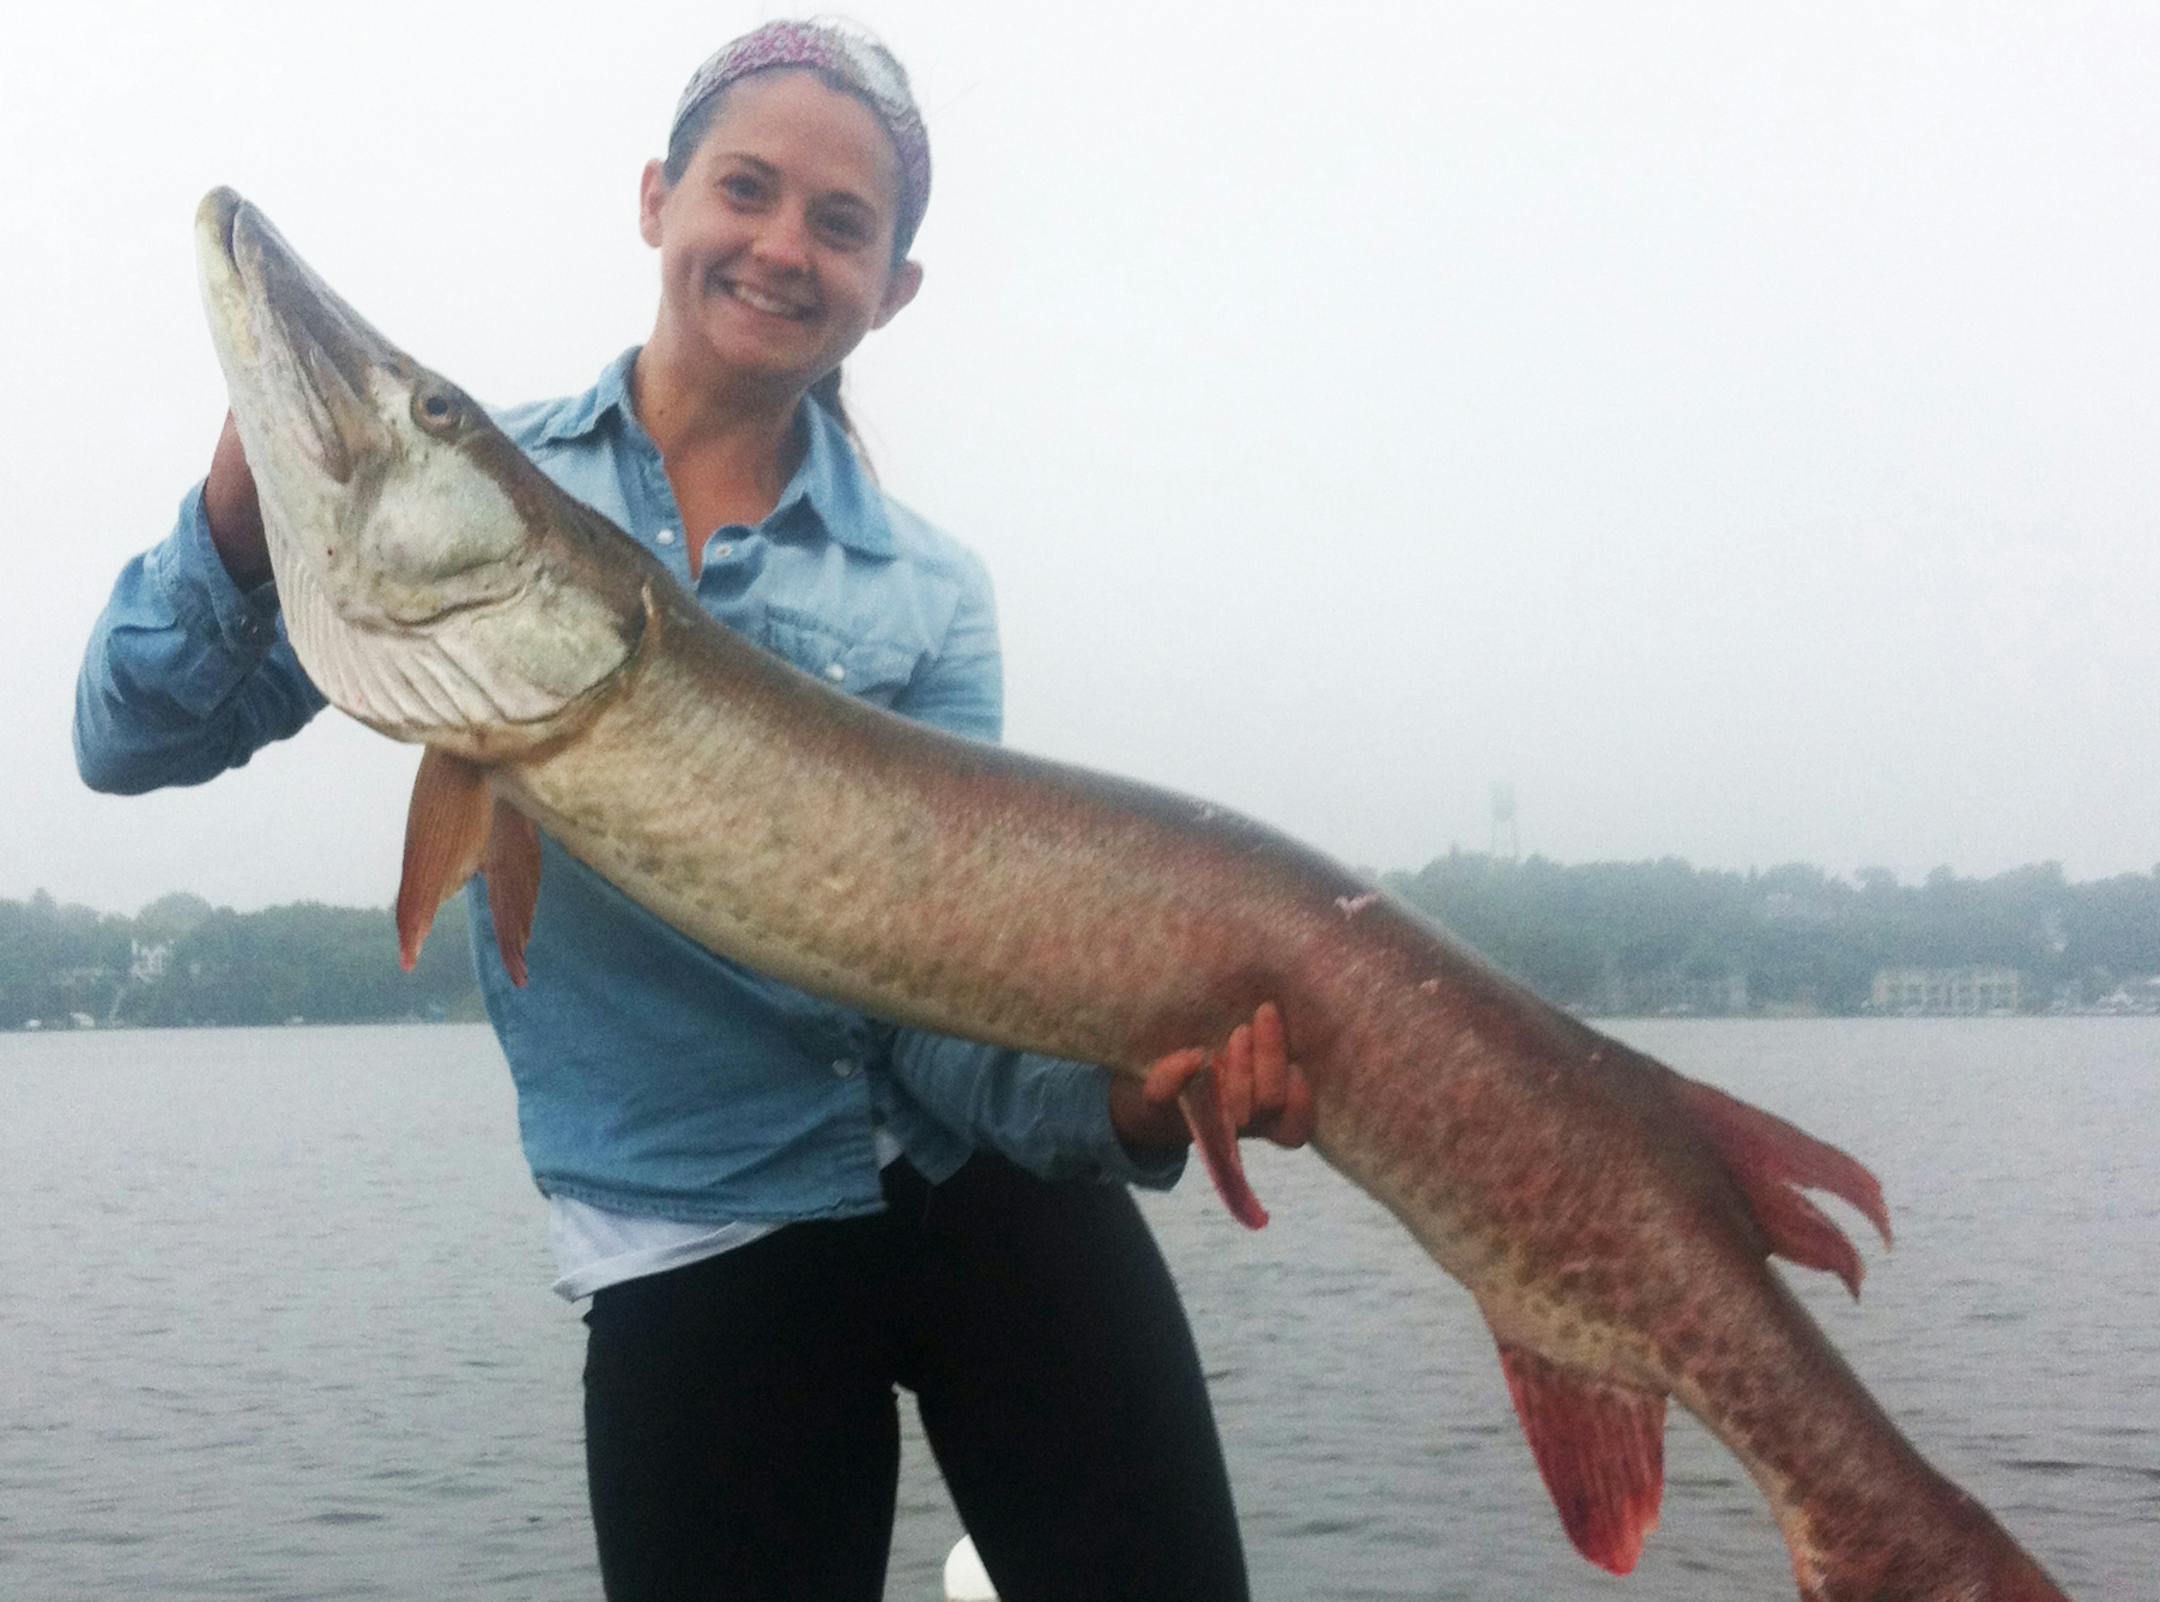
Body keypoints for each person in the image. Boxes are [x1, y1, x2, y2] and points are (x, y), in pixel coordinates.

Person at [75, 20, 1314, 1602]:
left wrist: (1128, 1108)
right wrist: (239, 525)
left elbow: (935, 1006)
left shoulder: (929, 591)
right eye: (746, 188)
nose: (784, 244)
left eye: (841, 222)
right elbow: (126, 736)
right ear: (658, 196)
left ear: (892, 289)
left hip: (990, 1205)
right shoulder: (464, 504)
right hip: (697, 1240)